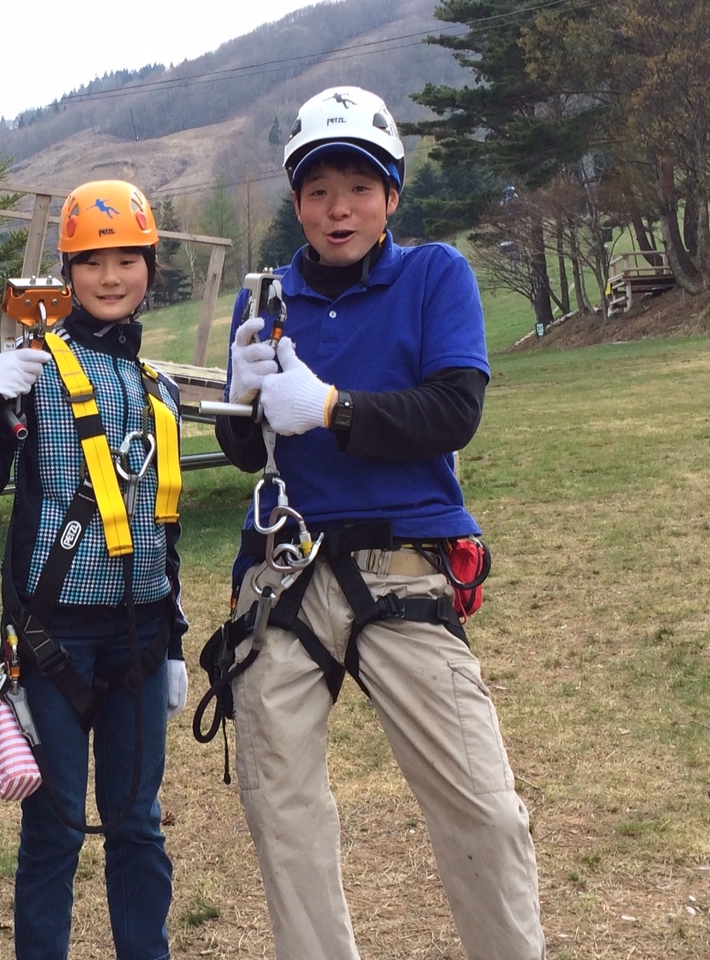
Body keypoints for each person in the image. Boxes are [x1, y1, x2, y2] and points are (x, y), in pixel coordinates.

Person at [213, 87, 546, 960]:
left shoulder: (435, 274)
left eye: (359, 188)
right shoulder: (267, 297)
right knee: (281, 808)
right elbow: (247, 451)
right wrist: (243, 398)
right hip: (285, 573)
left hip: (403, 564)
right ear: (296, 202)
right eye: (318, 191)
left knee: (481, 805)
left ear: (392, 196)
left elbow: (452, 410)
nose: (338, 210)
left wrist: (333, 408)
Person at [0, 180, 187, 960]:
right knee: (52, 829)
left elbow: (164, 520)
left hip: (142, 638)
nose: (111, 278)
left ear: (150, 267)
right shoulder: (36, 371)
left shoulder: (164, 390)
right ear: (69, 273)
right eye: (93, 263)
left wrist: (177, 640)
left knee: (137, 825)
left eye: (128, 260)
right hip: (53, 641)